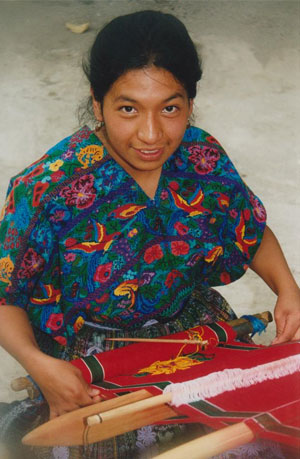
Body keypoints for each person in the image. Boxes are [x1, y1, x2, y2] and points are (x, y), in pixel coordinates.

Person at [0, 9, 299, 459]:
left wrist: (287, 288)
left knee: (264, 431)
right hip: (100, 359)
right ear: (96, 101)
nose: (151, 134)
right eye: (127, 109)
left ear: (190, 103)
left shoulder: (201, 158)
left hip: (196, 334)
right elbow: (6, 294)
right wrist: (40, 367)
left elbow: (248, 229)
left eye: (171, 108)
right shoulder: (49, 187)